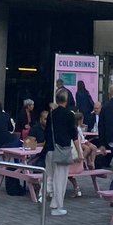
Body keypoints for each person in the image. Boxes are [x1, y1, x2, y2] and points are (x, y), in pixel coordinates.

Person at [45, 88, 79, 216]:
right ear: (66, 99)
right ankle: (58, 206)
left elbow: (47, 132)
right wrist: (80, 153)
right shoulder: (69, 115)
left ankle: (53, 201)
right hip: (63, 150)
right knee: (61, 179)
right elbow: (74, 135)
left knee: (52, 176)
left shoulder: (51, 114)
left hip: (50, 149)